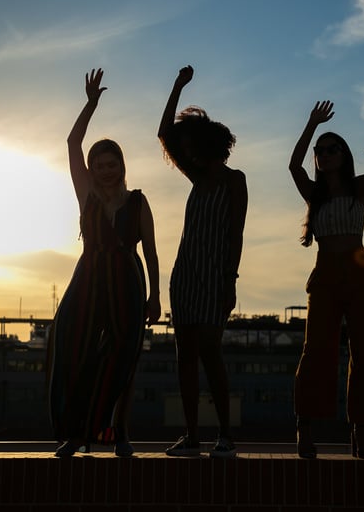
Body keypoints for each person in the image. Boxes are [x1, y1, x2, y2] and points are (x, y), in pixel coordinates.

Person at [48, 68, 161, 458]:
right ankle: (75, 435)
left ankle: (119, 433)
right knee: (74, 351)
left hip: (128, 283)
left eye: (112, 163)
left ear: (121, 166)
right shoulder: (87, 197)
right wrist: (91, 104)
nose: (106, 169)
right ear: (93, 170)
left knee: (123, 359)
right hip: (89, 281)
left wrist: (156, 295)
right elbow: (72, 141)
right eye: (100, 164)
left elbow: (150, 249)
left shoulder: (138, 201)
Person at [289, 100, 364, 459]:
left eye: (331, 148)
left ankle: (360, 433)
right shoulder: (315, 193)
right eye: (320, 151)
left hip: (361, 271)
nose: (324, 154)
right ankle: (304, 429)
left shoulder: (358, 186)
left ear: (344, 154)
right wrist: (311, 123)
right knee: (317, 351)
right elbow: (294, 165)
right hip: (326, 271)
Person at [157, 65, 247, 458]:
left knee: (210, 349)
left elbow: (236, 234)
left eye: (194, 141)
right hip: (186, 276)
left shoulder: (234, 180)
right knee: (185, 355)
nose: (187, 148)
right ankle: (192, 436)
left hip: (215, 276)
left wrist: (230, 280)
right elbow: (164, 132)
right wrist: (177, 86)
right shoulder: (195, 175)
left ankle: (225, 435)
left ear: (212, 144)